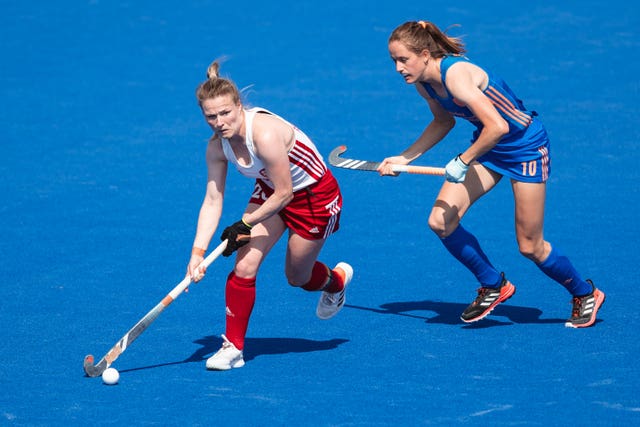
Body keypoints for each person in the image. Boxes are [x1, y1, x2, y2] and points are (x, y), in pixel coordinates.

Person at [378, 21, 604, 328]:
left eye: (403, 59)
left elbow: (498, 126)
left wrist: (462, 160)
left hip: (525, 147)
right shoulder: (424, 82)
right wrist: (403, 158)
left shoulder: (455, 75)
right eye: (394, 61)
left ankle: (584, 293)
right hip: (489, 147)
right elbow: (443, 122)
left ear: (426, 53)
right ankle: (493, 284)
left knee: (530, 246)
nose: (397, 68)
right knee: (440, 221)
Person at [187, 59, 353, 370]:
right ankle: (233, 347)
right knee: (245, 264)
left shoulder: (262, 134)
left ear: (239, 105)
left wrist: (245, 223)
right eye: (211, 116)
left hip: (314, 196)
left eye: (225, 112)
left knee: (297, 277)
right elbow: (212, 199)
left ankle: (336, 282)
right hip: (271, 188)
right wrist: (197, 253)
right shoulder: (216, 147)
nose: (220, 121)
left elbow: (286, 193)